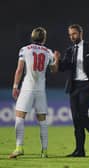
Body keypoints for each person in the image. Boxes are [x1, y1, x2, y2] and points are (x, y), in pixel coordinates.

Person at [58, 24, 89, 157]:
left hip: (87, 85)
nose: (72, 37)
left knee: (82, 115)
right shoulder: (70, 50)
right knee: (76, 118)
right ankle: (80, 150)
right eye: (70, 35)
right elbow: (64, 67)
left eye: (74, 34)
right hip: (73, 86)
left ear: (81, 33)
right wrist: (57, 60)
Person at [9, 27, 59, 159]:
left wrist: (15, 86)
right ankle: (44, 151)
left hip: (27, 88)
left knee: (20, 117)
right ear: (44, 38)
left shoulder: (24, 50)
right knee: (42, 120)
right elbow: (54, 71)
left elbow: (19, 70)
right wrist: (56, 58)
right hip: (40, 89)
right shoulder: (48, 52)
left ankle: (19, 147)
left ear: (32, 37)